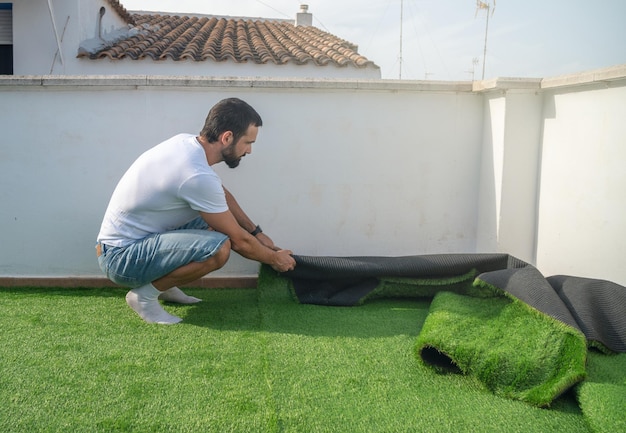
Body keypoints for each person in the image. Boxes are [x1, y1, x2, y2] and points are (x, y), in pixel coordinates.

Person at [96, 97, 296, 324]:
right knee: (220, 248)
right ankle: (144, 296)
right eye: (247, 142)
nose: (249, 150)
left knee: (213, 225)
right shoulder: (196, 174)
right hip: (121, 259)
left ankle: (165, 286)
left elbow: (220, 195)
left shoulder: (186, 144)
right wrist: (274, 259)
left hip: (129, 244)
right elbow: (239, 241)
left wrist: (256, 232)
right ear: (227, 137)